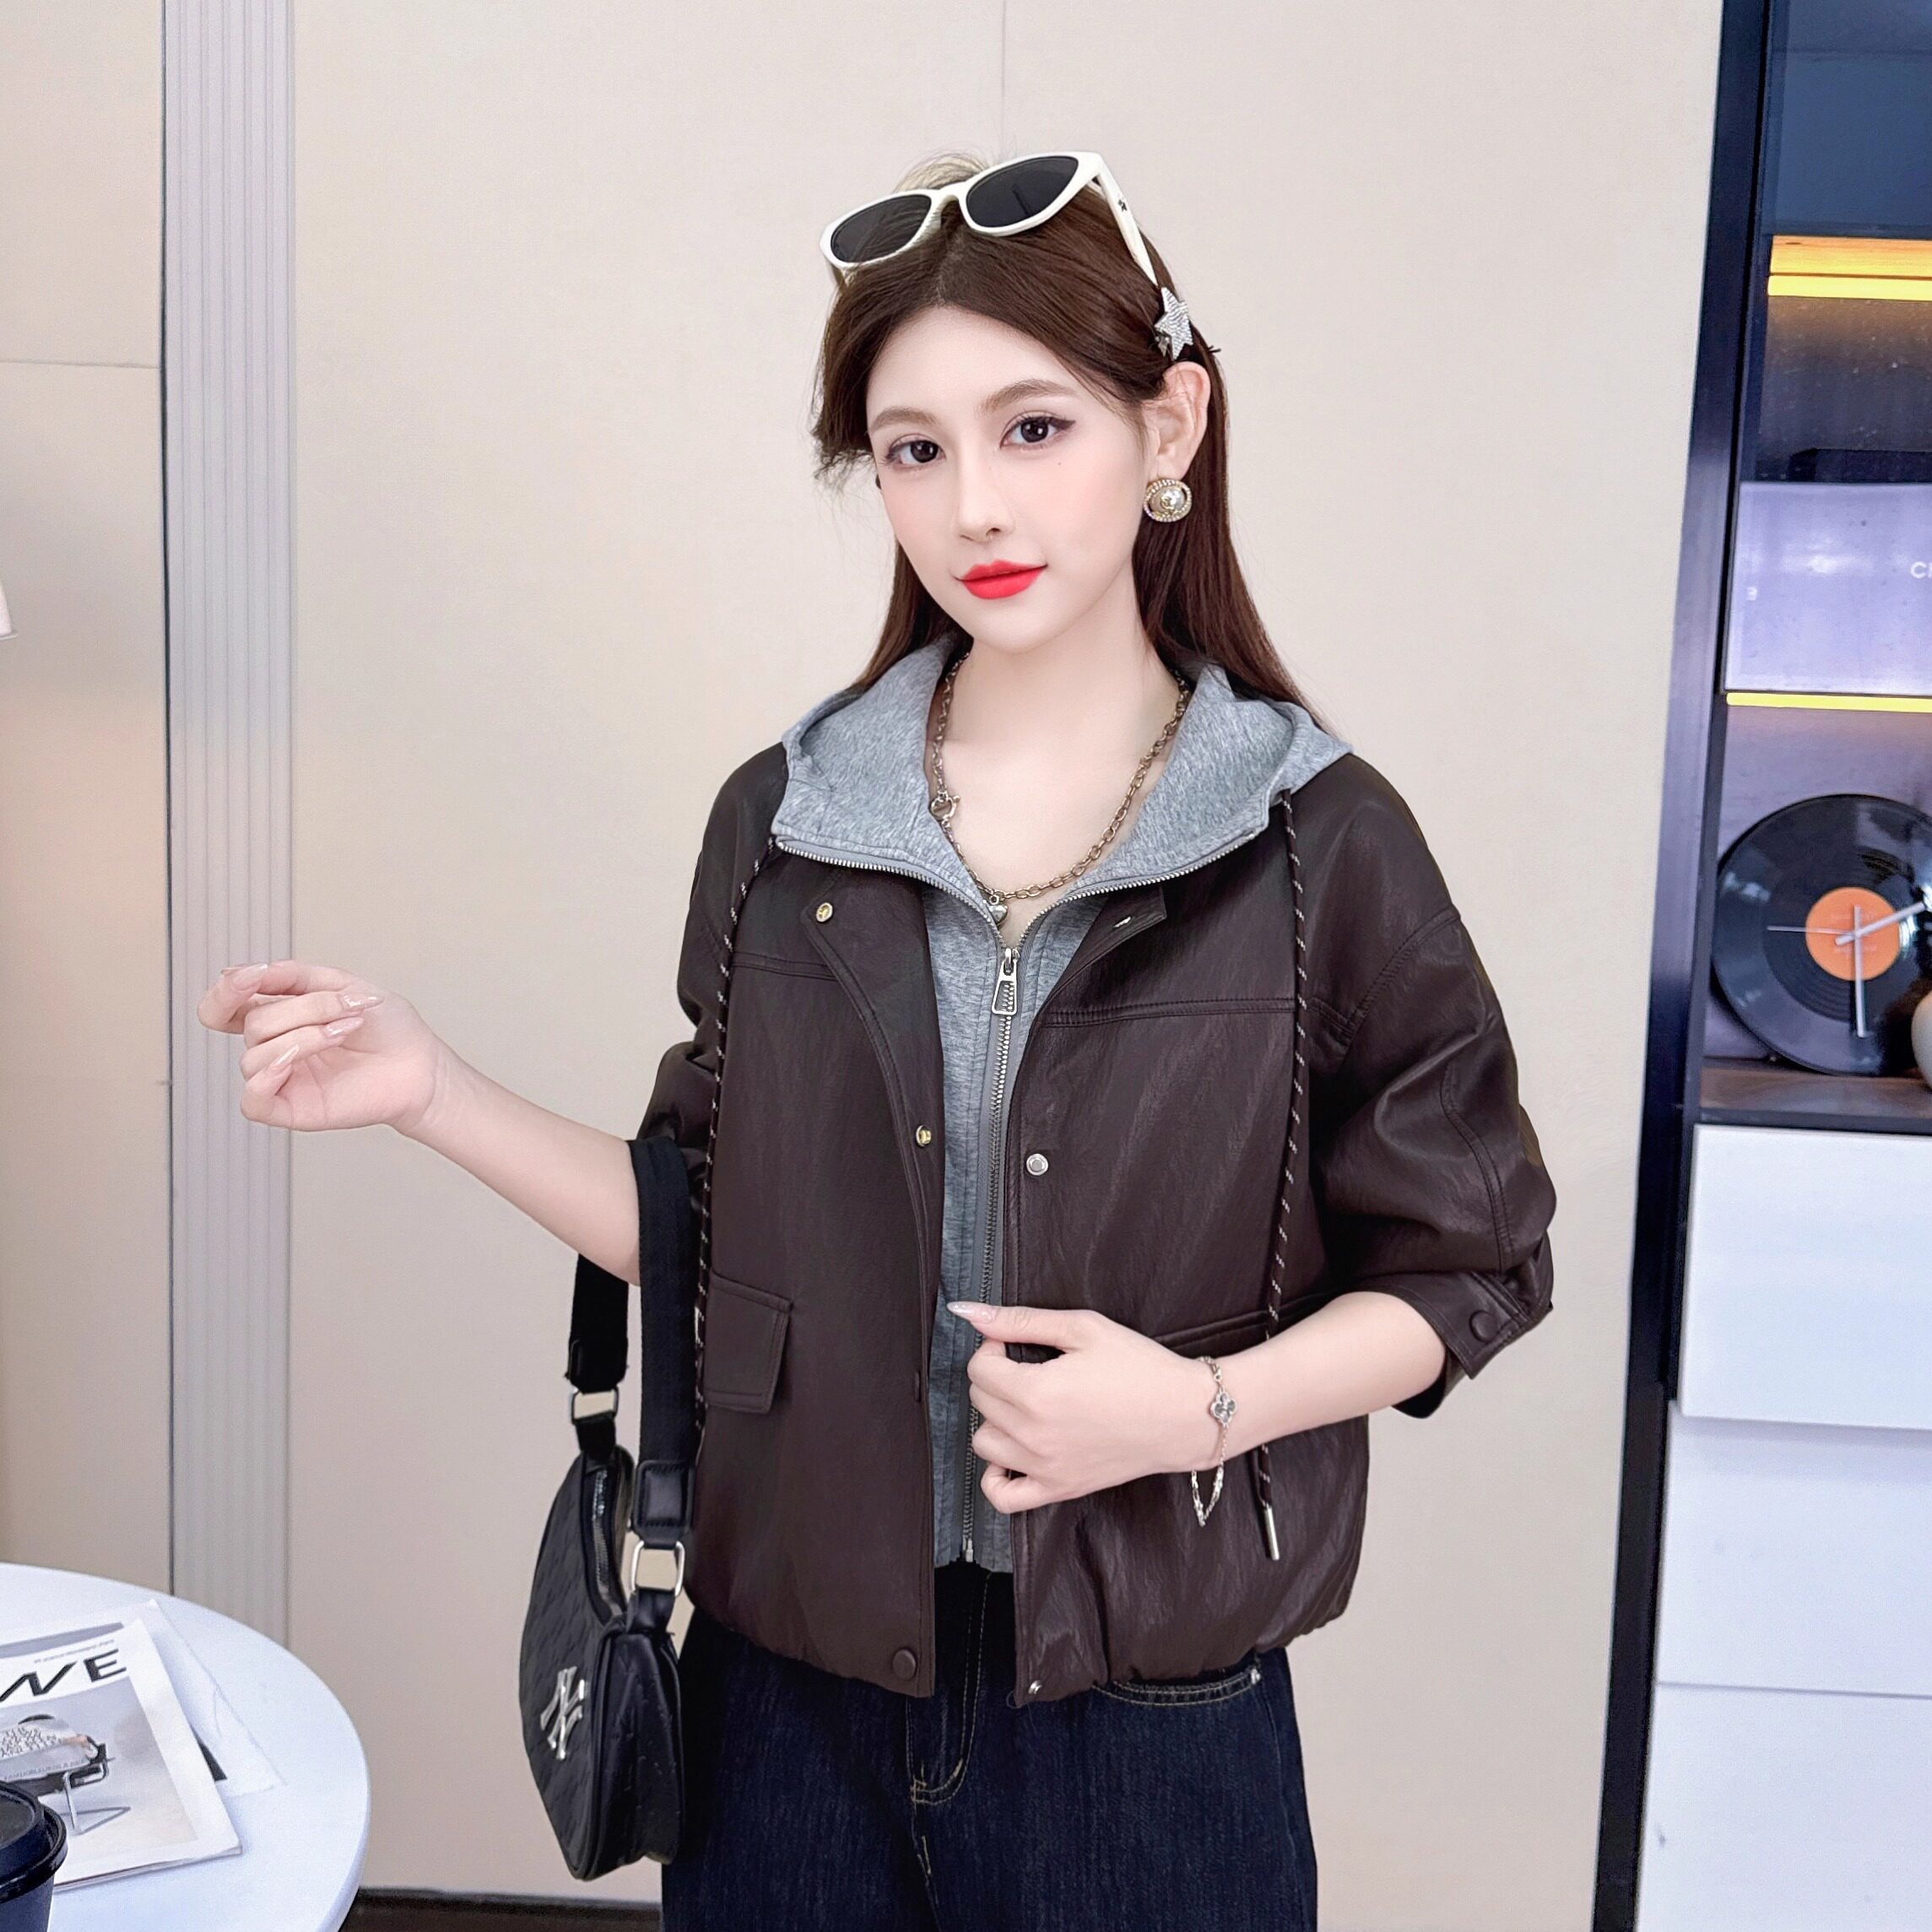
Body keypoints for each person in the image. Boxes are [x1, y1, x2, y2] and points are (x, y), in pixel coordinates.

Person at [197, 149, 1556, 1931]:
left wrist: (1193, 1408)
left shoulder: (1316, 843)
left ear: (1167, 426)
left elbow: (1471, 1258)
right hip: (788, 1703)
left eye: (1033, 428)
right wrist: (430, 1087)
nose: (974, 502)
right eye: (914, 449)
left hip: (1149, 1729)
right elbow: (707, 1228)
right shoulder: (787, 817)